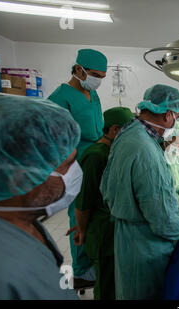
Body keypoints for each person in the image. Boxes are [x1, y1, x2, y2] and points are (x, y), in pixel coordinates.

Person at [99, 84, 179, 299]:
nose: (176, 121)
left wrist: (178, 208)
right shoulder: (146, 150)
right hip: (146, 244)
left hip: (128, 236)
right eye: (176, 115)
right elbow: (161, 218)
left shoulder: (129, 133)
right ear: (168, 115)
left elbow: (110, 188)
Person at [0, 96, 81, 299]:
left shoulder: (25, 222)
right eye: (68, 164)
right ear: (19, 178)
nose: (76, 173)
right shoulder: (4, 271)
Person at [48, 48, 108, 287]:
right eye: (95, 75)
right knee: (79, 214)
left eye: (103, 76)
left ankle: (93, 261)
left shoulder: (93, 94)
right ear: (78, 70)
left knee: (95, 213)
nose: (99, 80)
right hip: (75, 163)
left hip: (96, 158)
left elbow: (98, 127)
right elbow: (54, 138)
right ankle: (82, 271)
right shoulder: (59, 98)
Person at [67, 107, 134, 300]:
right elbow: (84, 201)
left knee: (114, 282)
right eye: (127, 132)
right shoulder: (96, 155)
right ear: (114, 130)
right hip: (102, 232)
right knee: (105, 288)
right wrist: (81, 228)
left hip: (113, 230)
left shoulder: (112, 152)